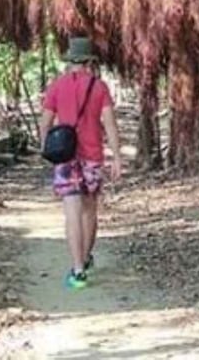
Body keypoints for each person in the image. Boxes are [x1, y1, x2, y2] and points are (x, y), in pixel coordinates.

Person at [38, 36, 122, 289]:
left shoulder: (56, 86)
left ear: (71, 61)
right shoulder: (100, 88)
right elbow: (110, 124)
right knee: (89, 211)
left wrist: (47, 149)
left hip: (65, 158)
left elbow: (45, 123)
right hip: (92, 156)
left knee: (72, 213)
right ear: (89, 62)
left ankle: (77, 271)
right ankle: (85, 258)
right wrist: (116, 157)